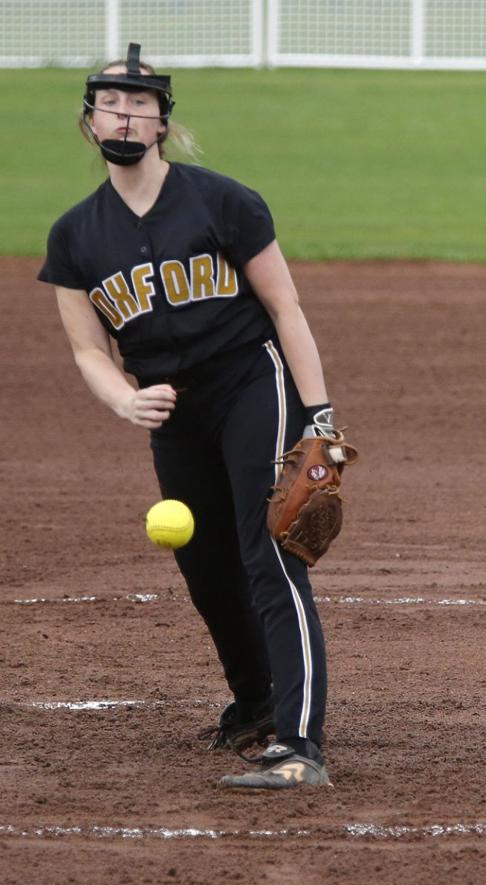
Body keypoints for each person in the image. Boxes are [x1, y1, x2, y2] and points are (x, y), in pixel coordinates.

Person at [37, 43, 344, 790]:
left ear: (163, 126)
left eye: (142, 106)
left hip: (250, 383)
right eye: (113, 103)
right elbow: (88, 350)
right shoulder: (75, 237)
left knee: (270, 554)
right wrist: (124, 397)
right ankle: (256, 702)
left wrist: (321, 419)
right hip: (170, 410)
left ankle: (301, 745)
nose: (127, 115)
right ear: (90, 122)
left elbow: (284, 306)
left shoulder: (223, 201)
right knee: (205, 567)